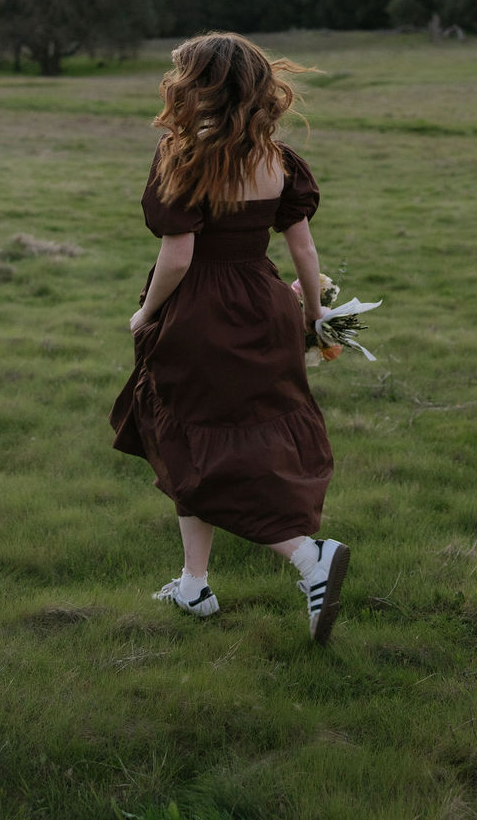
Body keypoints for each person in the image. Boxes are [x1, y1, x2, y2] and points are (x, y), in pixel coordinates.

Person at [110, 32, 349, 645]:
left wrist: (146, 316)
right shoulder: (279, 161)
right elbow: (303, 248)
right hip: (263, 305)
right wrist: (313, 314)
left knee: (194, 443)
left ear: (197, 85)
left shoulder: (184, 156)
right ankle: (194, 583)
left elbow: (179, 256)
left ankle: (306, 556)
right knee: (203, 442)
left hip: (201, 314)